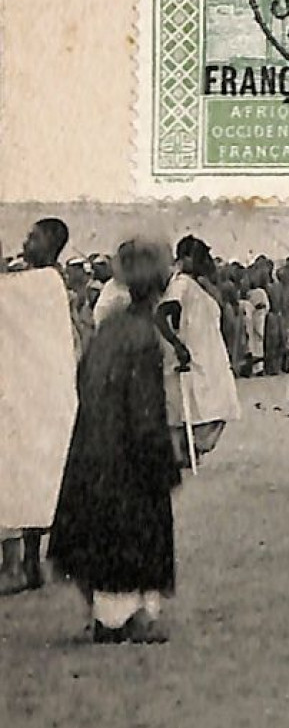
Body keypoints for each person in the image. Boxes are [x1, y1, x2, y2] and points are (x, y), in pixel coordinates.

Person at [49, 238, 182, 644]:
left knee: (100, 537)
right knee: (134, 534)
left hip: (93, 448)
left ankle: (109, 617)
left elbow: (83, 380)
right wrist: (159, 460)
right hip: (127, 457)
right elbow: (145, 412)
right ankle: (127, 620)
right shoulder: (143, 337)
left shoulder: (110, 328)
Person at [0, 218, 78, 596]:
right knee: (30, 478)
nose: (26, 241)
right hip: (36, 394)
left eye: (34, 236)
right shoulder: (43, 282)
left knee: (15, 474)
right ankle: (30, 565)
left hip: (27, 395)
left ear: (51, 243)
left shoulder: (42, 283)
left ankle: (14, 567)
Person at [155, 237, 240, 469]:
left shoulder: (197, 285)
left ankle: (188, 449)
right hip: (192, 356)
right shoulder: (181, 284)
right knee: (191, 408)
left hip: (208, 355)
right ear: (187, 259)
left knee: (215, 406)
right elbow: (161, 315)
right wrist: (177, 345)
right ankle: (182, 452)